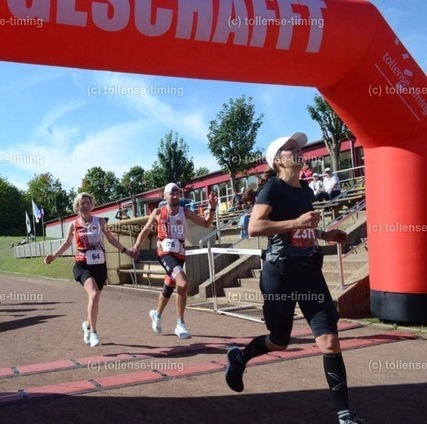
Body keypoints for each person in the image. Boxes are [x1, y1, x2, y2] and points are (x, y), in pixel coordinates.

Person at [224, 132, 364, 424]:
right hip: (280, 274)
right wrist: (295, 222)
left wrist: (324, 234)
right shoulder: (272, 189)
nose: (298, 150)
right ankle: (239, 358)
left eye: (298, 147)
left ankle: (345, 416)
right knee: (279, 341)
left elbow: (302, 228)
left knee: (329, 341)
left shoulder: (305, 190)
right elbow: (254, 228)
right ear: (278, 160)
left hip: (309, 272)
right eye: (290, 148)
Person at [44, 192, 133, 347]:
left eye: (87, 203)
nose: (85, 206)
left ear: (91, 205)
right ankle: (93, 333)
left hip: (99, 265)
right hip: (82, 266)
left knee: (95, 298)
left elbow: (111, 239)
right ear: (77, 206)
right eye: (82, 203)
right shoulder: (74, 224)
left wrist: (126, 251)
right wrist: (54, 256)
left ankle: (87, 325)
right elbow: (67, 243)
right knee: (93, 293)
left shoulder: (100, 222)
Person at [132, 183, 217, 339]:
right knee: (183, 282)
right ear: (165, 195)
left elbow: (206, 223)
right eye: (172, 193)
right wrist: (136, 246)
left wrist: (212, 208)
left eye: (178, 193)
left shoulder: (185, 212)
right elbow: (145, 231)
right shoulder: (158, 212)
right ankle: (180, 324)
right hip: (164, 253)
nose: (176, 196)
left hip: (180, 254)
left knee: (169, 286)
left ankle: (157, 314)